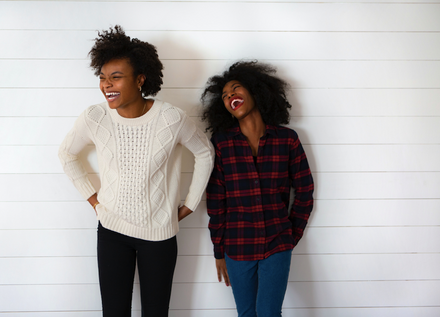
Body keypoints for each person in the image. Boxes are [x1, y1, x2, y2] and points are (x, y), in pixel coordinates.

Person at [58, 25, 214, 317]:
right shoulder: (95, 117)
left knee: (156, 313)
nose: (107, 85)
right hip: (112, 231)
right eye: (103, 78)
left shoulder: (171, 119)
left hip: (160, 235)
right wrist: (93, 200)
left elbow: (205, 153)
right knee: (114, 312)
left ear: (140, 79)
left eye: (116, 77)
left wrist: (191, 204)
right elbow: (66, 154)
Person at [201, 61, 314, 317]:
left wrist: (290, 235)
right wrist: (219, 250)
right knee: (246, 314)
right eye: (225, 95)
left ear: (255, 91)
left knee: (269, 314)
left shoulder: (287, 140)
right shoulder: (221, 145)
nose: (230, 96)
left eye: (236, 88)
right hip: (238, 247)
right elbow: (216, 202)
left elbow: (305, 190)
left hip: (277, 243)